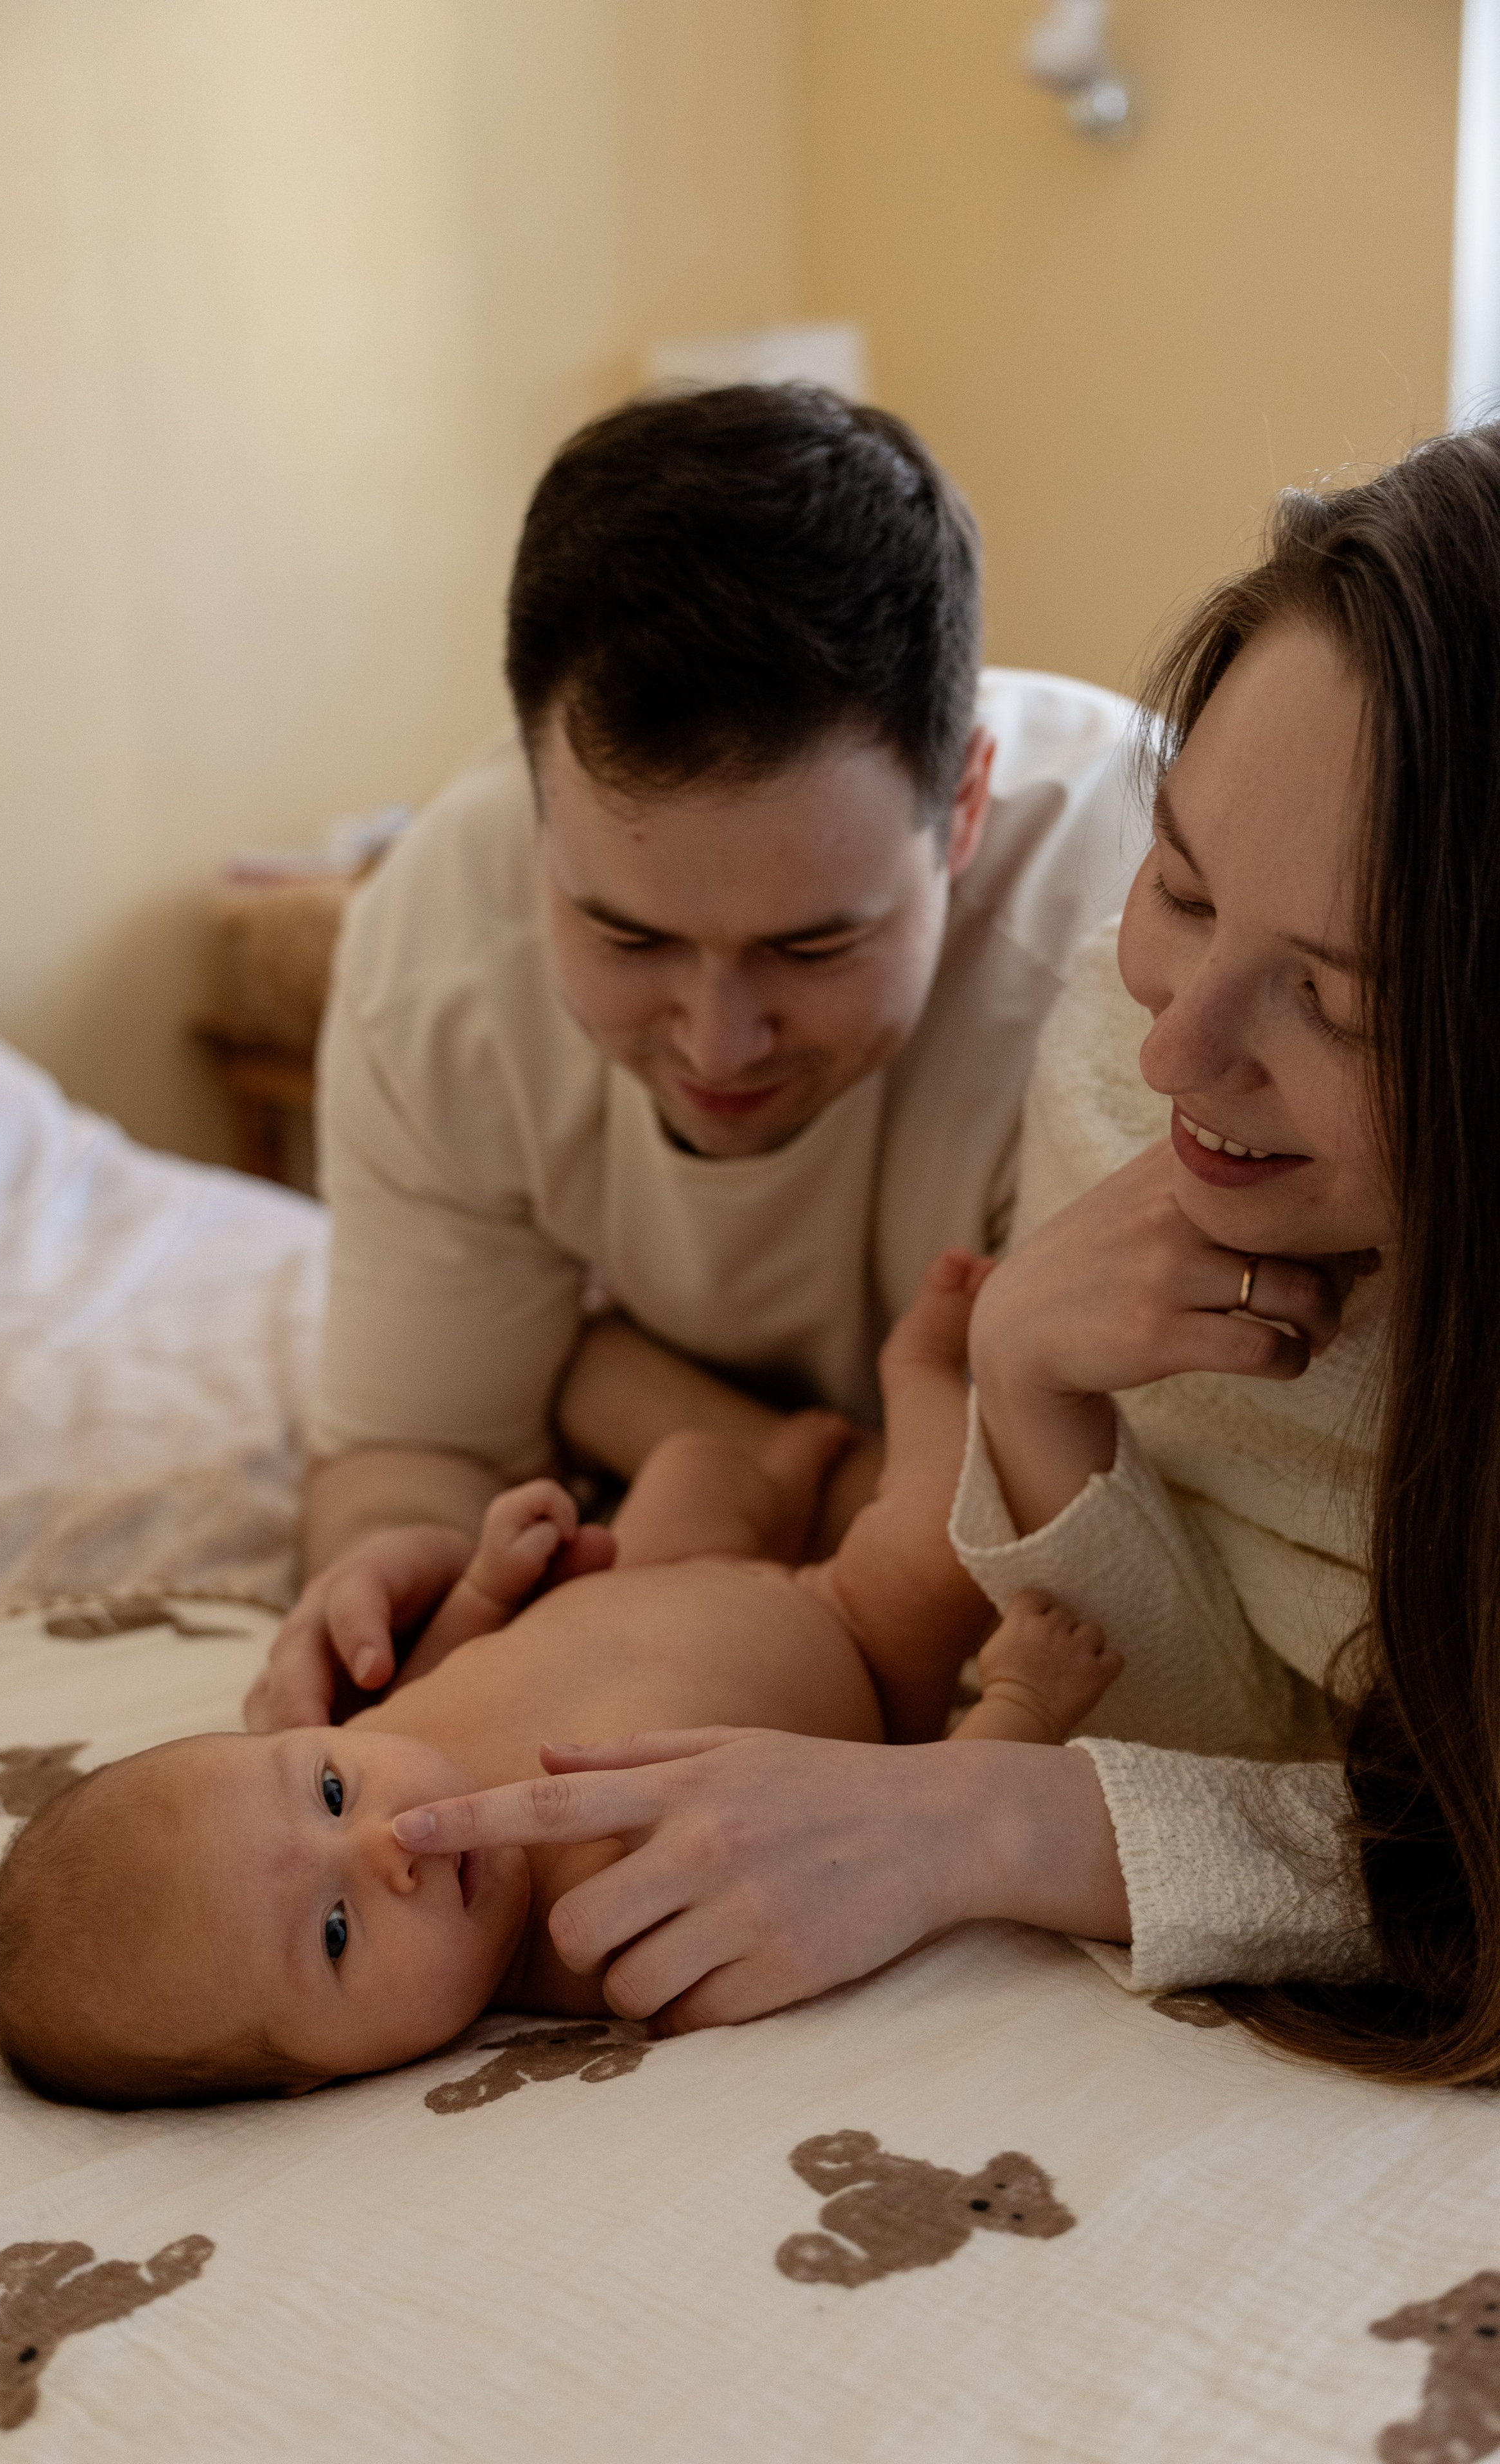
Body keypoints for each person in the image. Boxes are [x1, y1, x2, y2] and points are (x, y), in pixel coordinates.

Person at [388, 427, 1500, 2091]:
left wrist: (979, 1812)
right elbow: (1230, 1725)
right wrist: (1029, 1391)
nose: (1180, 1052)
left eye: (1340, 1003)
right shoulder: (1119, 1077)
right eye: (1182, 890)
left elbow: (1443, 1848)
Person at [249, 381, 1140, 1732]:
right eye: (625, 934)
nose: (717, 1042)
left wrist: (616, 1389)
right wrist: (388, 1561)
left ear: (960, 805)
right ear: (533, 814)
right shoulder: (436, 948)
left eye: (812, 946)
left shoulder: (1142, 946)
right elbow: (408, 1455)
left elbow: (1093, 1596)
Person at [0, 1253, 1119, 2106]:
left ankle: (774, 1477)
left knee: (687, 1469)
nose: (393, 1845)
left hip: (658, 1566)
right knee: (937, 1543)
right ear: (311, 2083)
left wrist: (487, 1581)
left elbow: (449, 1660)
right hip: (850, 1639)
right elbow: (889, 1854)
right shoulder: (609, 1942)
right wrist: (1020, 1703)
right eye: (334, 1935)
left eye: (327, 1790)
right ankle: (920, 1377)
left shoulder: (387, 1736)